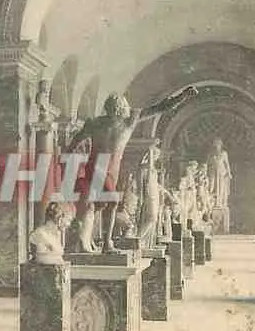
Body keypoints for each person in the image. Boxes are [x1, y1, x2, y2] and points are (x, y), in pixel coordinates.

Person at [67, 86, 198, 252]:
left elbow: (161, 107)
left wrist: (182, 96)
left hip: (108, 166)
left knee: (99, 204)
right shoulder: (121, 121)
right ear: (120, 107)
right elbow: (160, 107)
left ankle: (93, 241)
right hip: (102, 165)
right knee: (109, 202)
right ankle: (105, 243)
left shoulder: (114, 121)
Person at [206, 138, 232, 208]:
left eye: (218, 145)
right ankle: (214, 202)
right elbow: (207, 164)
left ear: (221, 146)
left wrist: (229, 173)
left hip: (222, 173)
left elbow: (227, 164)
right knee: (213, 187)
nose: (217, 147)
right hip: (213, 173)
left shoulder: (224, 154)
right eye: (215, 145)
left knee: (221, 187)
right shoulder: (211, 155)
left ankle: (220, 202)